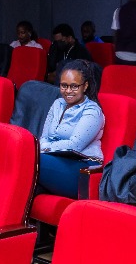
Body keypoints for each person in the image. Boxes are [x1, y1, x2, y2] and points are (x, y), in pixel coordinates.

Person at [37, 60, 105, 199]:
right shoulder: (57, 104)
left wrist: (43, 148)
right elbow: (44, 136)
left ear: (85, 86)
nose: (68, 91)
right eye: (64, 86)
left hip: (82, 168)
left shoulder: (92, 111)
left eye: (74, 86)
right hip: (54, 160)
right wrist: (43, 147)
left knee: (31, 159)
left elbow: (74, 145)